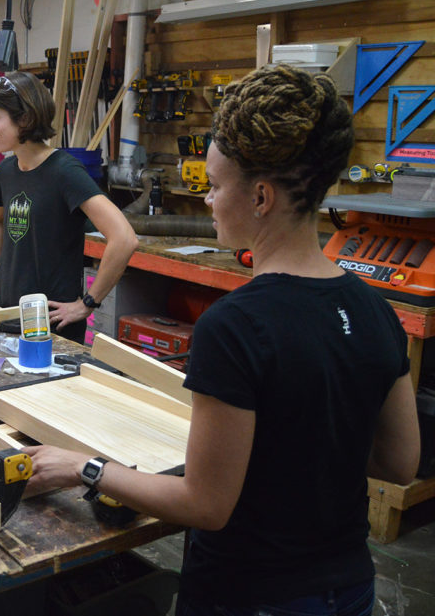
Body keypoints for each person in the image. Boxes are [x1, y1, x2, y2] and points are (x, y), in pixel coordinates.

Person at [23, 64, 421, 615]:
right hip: (348, 588)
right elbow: (400, 464)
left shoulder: (236, 325)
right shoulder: (378, 312)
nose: (207, 201)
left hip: (249, 595)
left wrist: (84, 467)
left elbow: (206, 505)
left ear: (260, 197)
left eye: (213, 186)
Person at [0, 71, 137, 343]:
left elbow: (124, 238)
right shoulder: (7, 170)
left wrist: (88, 303)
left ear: (25, 119)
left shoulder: (64, 171)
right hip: (7, 315)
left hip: (52, 328)